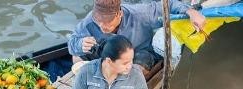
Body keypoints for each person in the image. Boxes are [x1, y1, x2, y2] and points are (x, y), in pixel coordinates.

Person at [68, 0, 207, 77]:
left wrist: (191, 12)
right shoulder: (89, 21)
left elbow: (170, 5)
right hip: (108, 54)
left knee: (135, 72)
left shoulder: (140, 13)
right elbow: (72, 43)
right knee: (77, 57)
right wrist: (80, 44)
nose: (102, 26)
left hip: (138, 53)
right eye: (98, 22)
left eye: (107, 22)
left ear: (119, 14)